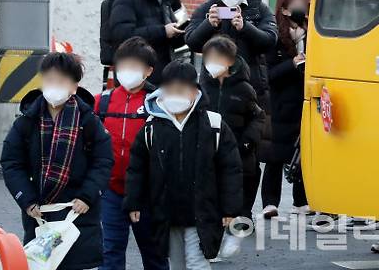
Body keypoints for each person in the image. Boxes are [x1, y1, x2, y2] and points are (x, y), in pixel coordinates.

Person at [123, 60, 243, 270]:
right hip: (166, 211)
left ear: (195, 91)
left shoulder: (213, 125)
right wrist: (133, 202)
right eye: (171, 89)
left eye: (182, 89)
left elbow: (230, 169)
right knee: (176, 263)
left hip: (202, 211)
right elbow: (137, 168)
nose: (176, 95)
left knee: (197, 262)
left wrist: (230, 209)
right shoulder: (151, 127)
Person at [0, 52, 114, 270]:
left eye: (61, 81)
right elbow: (12, 162)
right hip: (40, 212)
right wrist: (27, 200)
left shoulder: (88, 120)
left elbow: (103, 160)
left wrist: (88, 195)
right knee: (41, 265)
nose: (54, 86)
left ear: (74, 86)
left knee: (79, 263)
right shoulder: (27, 121)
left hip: (79, 212)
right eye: (49, 80)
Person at [94, 37, 168, 270]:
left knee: (154, 253)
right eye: (123, 65)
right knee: (109, 252)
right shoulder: (102, 102)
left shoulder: (159, 102)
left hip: (148, 193)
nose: (128, 72)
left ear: (148, 71)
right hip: (110, 191)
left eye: (135, 67)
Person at [184, 0, 277, 103]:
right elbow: (191, 41)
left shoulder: (259, 9)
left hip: (252, 88)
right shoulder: (207, 9)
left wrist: (245, 27)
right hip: (213, 87)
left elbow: (270, 40)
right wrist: (208, 25)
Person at [199, 35, 265, 221]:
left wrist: (247, 141)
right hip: (208, 148)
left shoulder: (244, 89)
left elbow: (258, 117)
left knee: (244, 179)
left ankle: (243, 214)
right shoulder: (201, 87)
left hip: (238, 148)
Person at [259, 0, 310, 218]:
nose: (302, 7)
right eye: (296, 4)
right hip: (281, 105)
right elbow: (269, 73)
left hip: (305, 102)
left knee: (303, 153)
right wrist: (292, 63)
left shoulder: (310, 33)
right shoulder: (276, 38)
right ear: (285, 10)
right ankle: (270, 202)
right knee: (276, 155)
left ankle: (301, 201)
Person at [110, 0, 185, 85]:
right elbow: (122, 34)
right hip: (135, 76)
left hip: (161, 74)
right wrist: (163, 31)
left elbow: (168, 36)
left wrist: (178, 33)